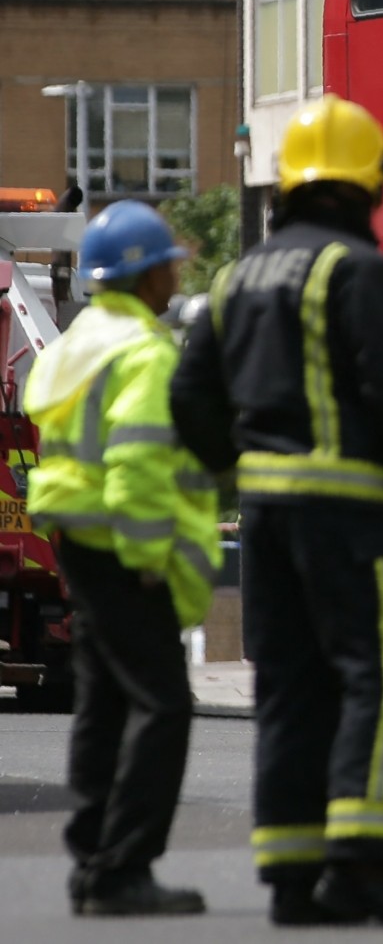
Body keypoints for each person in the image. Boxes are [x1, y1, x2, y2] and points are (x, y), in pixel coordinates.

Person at [170, 96, 383, 927]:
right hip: (353, 516)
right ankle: (363, 864)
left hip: (264, 519)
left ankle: (293, 874)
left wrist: (236, 462)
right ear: (366, 183)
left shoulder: (236, 276)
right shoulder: (357, 271)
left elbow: (191, 399)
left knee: (291, 689)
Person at [25, 201, 217, 917]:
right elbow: (137, 462)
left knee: (102, 701)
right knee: (162, 704)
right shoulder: (143, 350)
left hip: (78, 539)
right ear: (144, 275)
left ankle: (92, 856)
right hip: (120, 547)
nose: (176, 274)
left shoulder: (79, 341)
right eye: (169, 262)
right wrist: (146, 557)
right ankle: (123, 866)